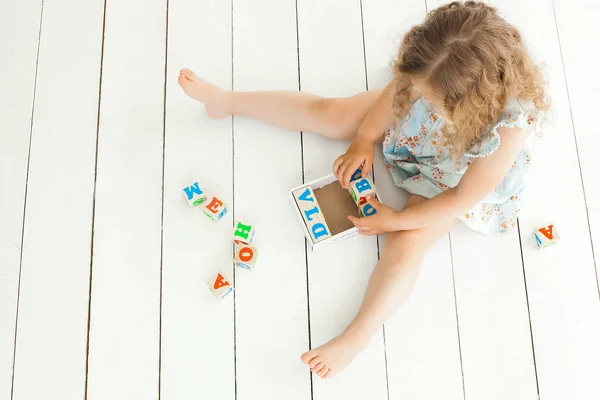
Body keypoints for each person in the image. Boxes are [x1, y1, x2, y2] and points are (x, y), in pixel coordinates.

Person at [178, 1, 549, 379]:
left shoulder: (508, 129)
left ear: (465, 100)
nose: (420, 94)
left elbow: (460, 199)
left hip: (455, 178)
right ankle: (227, 102)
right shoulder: (430, 66)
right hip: (422, 131)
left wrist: (399, 220)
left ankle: (355, 338)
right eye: (419, 86)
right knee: (329, 113)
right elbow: (398, 95)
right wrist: (364, 138)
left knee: (407, 244)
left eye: (431, 97)